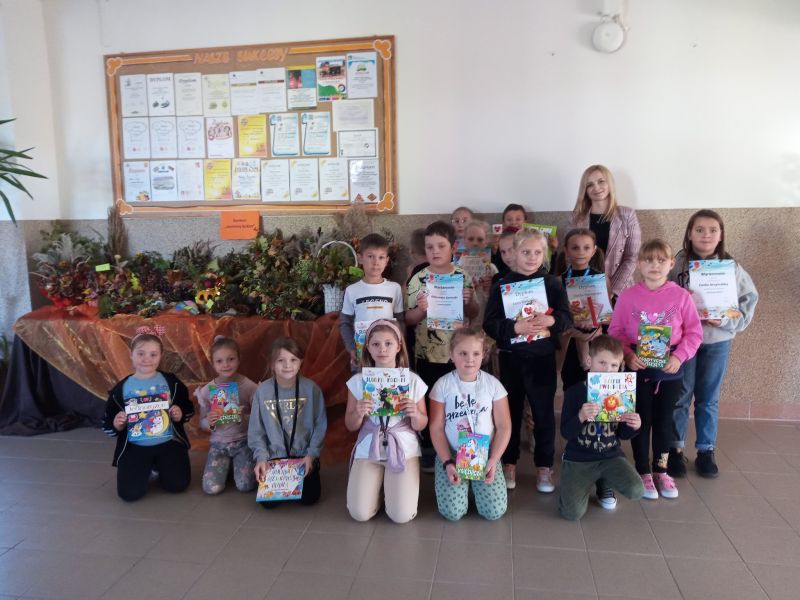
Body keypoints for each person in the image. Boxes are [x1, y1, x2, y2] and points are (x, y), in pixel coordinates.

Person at [608, 239, 703, 500]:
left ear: (671, 264)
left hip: (670, 371)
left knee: (664, 421)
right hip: (637, 369)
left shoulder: (681, 297)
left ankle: (661, 470)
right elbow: (615, 331)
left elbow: (694, 333)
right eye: (648, 260)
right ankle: (642, 471)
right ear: (639, 264)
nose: (654, 265)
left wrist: (679, 357)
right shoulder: (628, 296)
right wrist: (628, 355)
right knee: (640, 419)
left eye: (661, 260)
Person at [667, 210, 759, 478]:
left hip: (717, 341)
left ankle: (706, 451)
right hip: (684, 342)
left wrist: (728, 321)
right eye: (699, 230)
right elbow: (663, 294)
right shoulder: (677, 264)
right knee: (680, 395)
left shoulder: (731, 267)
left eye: (712, 230)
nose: (705, 235)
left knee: (708, 398)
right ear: (689, 233)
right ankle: (675, 449)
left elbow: (749, 298)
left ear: (720, 235)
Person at [483, 229, 572, 492]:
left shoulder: (553, 284)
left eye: (537, 252)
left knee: (543, 414)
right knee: (508, 413)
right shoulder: (502, 285)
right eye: (525, 252)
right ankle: (509, 462)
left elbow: (567, 318)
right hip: (511, 359)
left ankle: (544, 466)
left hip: (541, 359)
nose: (532, 257)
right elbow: (490, 324)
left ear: (544, 254)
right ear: (513, 253)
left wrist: (551, 320)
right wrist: (515, 328)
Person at [406, 220, 479, 471]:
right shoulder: (418, 279)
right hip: (427, 354)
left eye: (441, 246)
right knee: (430, 402)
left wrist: (469, 302)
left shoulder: (462, 276)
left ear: (453, 247)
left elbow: (473, 313)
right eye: (429, 247)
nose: (435, 251)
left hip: (459, 356)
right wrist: (421, 310)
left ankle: (465, 452)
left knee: (460, 402)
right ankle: (430, 451)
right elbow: (408, 319)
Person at [345, 320, 428, 523]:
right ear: (368, 347)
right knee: (359, 513)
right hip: (369, 446)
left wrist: (415, 414)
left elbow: (422, 424)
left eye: (388, 343)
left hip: (402, 447)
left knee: (401, 516)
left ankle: (391, 490)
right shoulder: (358, 381)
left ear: (399, 346)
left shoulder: (412, 380)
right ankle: (376, 491)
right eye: (376, 344)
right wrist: (358, 413)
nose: (382, 349)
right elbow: (350, 425)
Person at [102, 326, 194, 502]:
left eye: (153, 354)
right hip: (135, 446)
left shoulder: (171, 383)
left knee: (178, 485)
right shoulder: (121, 389)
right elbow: (107, 421)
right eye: (141, 353)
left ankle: (158, 467)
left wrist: (180, 413)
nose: (147, 359)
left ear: (161, 356)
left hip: (168, 443)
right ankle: (146, 468)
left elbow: (187, 406)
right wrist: (117, 423)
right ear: (131, 354)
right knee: (129, 494)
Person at [429, 327, 512, 520]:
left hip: (485, 453)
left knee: (494, 512)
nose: (470, 359)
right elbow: (436, 428)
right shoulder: (442, 385)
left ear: (483, 354)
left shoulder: (493, 385)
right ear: (452, 355)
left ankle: (476, 485)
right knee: (452, 513)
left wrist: (493, 460)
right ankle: (461, 482)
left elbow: (504, 427)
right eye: (463, 353)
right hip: (452, 453)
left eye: (476, 353)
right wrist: (447, 462)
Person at [558, 335, 645, 520]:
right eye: (602, 363)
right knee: (571, 513)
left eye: (614, 365)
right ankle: (577, 477)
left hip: (610, 455)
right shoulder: (574, 392)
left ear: (620, 367)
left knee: (637, 490)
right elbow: (565, 432)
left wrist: (634, 425)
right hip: (579, 458)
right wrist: (580, 417)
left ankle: (604, 481)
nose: (607, 370)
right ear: (589, 361)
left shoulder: (622, 393)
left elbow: (623, 435)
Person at [248, 337, 327, 506]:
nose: (287, 365)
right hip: (273, 457)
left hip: (303, 456)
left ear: (300, 362)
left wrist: (311, 455)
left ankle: (311, 468)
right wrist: (261, 458)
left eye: (293, 359)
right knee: (268, 504)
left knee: (309, 499)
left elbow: (320, 425)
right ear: (271, 364)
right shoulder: (262, 391)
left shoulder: (312, 389)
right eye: (280, 360)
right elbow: (256, 430)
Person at [195, 336, 258, 495]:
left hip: (244, 442)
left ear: (239, 359)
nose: (226, 365)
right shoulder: (207, 391)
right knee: (211, 488)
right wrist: (209, 422)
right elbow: (202, 422)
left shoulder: (249, 387)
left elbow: (260, 418)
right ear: (213, 363)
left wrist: (243, 418)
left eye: (231, 359)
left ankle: (237, 465)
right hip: (219, 444)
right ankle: (227, 466)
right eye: (219, 361)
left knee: (245, 486)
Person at [569, 165, 641, 301]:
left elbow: (632, 257)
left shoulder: (627, 215)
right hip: (585, 288)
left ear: (609, 183)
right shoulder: (576, 219)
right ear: (585, 190)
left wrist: (611, 290)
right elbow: (571, 255)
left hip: (620, 291)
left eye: (601, 181)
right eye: (590, 185)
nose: (596, 188)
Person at [339, 233, 405, 369]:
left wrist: (399, 345)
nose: (376, 262)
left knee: (387, 381)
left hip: (388, 354)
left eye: (381, 257)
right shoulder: (352, 290)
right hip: (362, 352)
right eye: (370, 256)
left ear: (387, 260)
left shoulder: (394, 288)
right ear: (360, 258)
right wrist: (352, 349)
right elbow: (345, 323)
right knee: (361, 381)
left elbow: (400, 321)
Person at [555, 228, 606, 391]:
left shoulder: (601, 279)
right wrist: (565, 310)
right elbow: (553, 315)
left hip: (595, 340)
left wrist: (596, 314)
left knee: (597, 388)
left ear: (594, 250)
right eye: (575, 248)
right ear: (566, 250)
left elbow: (609, 317)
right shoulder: (558, 280)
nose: (581, 252)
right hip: (569, 342)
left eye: (586, 247)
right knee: (572, 388)